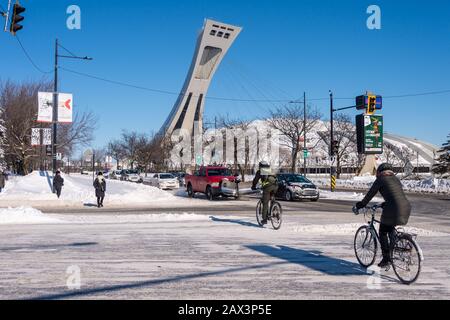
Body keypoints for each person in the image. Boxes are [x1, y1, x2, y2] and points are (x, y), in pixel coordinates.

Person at [355, 163, 411, 268]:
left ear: (380, 172)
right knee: (390, 228)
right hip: (406, 207)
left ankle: (386, 259)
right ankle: (393, 249)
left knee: (383, 231)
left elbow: (369, 195)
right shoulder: (395, 179)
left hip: (393, 208)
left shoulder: (381, 179)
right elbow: (395, 195)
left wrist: (360, 205)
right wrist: (385, 204)